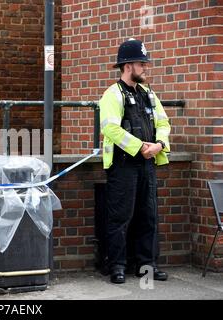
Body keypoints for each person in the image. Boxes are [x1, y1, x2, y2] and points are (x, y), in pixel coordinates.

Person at [99, 38, 171, 284]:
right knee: (120, 216)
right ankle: (117, 266)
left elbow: (163, 122)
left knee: (148, 215)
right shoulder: (112, 94)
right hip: (123, 165)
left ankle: (146, 266)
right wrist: (140, 147)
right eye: (142, 63)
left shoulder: (149, 94)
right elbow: (110, 128)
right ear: (128, 65)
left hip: (147, 164)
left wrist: (159, 144)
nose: (145, 67)